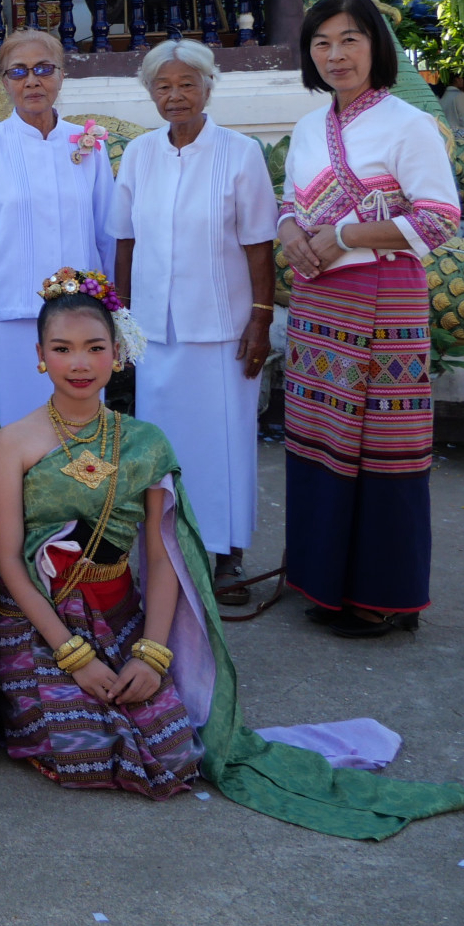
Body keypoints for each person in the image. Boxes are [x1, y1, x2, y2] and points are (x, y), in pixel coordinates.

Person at [0, 270, 464, 832]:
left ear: (118, 353)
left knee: (171, 758)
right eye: (62, 348)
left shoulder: (145, 443)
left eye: (95, 347)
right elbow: (9, 560)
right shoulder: (14, 442)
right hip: (39, 625)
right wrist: (73, 655)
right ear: (40, 355)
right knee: (88, 754)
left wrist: (152, 653)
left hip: (118, 613)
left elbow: (163, 556)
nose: (79, 363)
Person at [277, 0, 460, 637]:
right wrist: (290, 231)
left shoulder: (409, 124)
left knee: (384, 443)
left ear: (376, 46)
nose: (336, 55)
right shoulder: (308, 127)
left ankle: (385, 595)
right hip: (319, 302)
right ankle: (325, 581)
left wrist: (345, 236)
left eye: (350, 39)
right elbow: (291, 202)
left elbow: (438, 220)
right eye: (322, 43)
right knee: (319, 436)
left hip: (383, 299)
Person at [112, 40, 277, 595]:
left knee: (224, 445)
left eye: (187, 84)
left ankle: (227, 555)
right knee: (162, 448)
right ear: (150, 93)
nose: (175, 95)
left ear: (208, 87)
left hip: (223, 330)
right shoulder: (140, 154)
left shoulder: (240, 153)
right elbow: (125, 241)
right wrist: (120, 321)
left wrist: (260, 320)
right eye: (163, 86)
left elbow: (259, 244)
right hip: (155, 332)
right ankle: (164, 554)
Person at [0, 30, 115, 422]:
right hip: (6, 311)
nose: (32, 81)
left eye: (43, 69)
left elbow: (106, 232)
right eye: (19, 71)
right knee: (12, 419)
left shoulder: (87, 144)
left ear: (61, 75)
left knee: (77, 420)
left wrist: (113, 305)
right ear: (5, 81)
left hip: (79, 311)